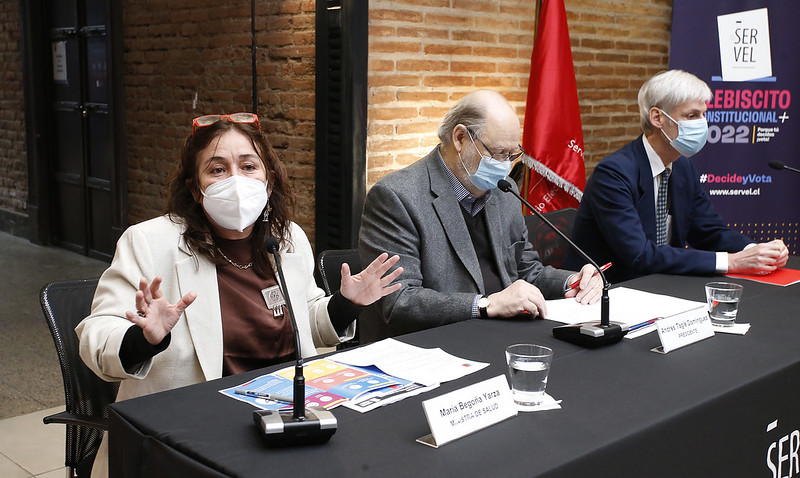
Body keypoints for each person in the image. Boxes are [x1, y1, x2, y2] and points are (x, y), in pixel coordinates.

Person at [77, 113, 402, 478]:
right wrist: (143, 339)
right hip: (189, 436)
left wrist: (345, 305)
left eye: (248, 167)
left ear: (269, 180)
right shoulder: (149, 242)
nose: (235, 181)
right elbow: (96, 336)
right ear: (195, 188)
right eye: (217, 170)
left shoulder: (287, 238)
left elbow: (306, 323)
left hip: (284, 420)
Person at [358, 90, 603, 343]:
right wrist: (486, 304)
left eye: (512, 154)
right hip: (432, 346)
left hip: (504, 335)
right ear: (460, 138)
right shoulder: (397, 196)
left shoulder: (504, 191)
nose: (505, 165)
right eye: (497, 153)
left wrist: (572, 281)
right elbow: (399, 301)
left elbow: (526, 270)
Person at [565, 70, 789, 283]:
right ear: (657, 118)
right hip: (606, 291)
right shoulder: (613, 174)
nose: (702, 123)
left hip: (664, 285)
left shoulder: (682, 166)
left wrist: (756, 251)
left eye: (703, 115)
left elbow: (708, 231)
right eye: (692, 115)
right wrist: (731, 262)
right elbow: (639, 255)